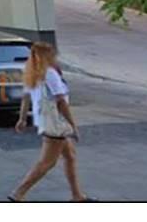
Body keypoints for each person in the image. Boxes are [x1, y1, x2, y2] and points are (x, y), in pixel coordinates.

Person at [8, 42, 95, 202]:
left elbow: (26, 98)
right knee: (47, 162)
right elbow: (61, 102)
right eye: (53, 54)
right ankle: (18, 193)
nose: (56, 57)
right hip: (55, 122)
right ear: (47, 56)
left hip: (45, 120)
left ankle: (77, 196)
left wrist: (22, 119)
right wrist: (73, 126)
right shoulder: (50, 74)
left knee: (70, 156)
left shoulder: (32, 72)